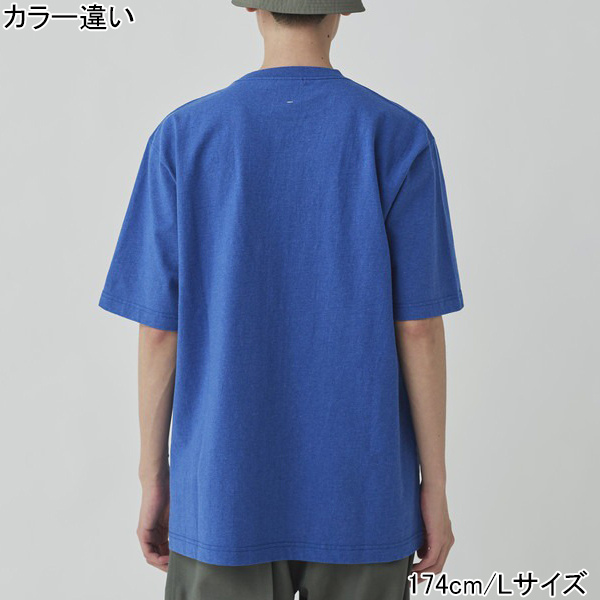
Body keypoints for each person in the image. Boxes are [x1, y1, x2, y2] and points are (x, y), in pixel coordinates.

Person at [99, 1, 464, 598]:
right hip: (363, 495)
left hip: (222, 493)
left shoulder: (184, 136)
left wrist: (153, 478)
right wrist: (435, 486)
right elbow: (419, 328)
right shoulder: (399, 136)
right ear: (340, 15)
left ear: (253, 8)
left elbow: (160, 330)